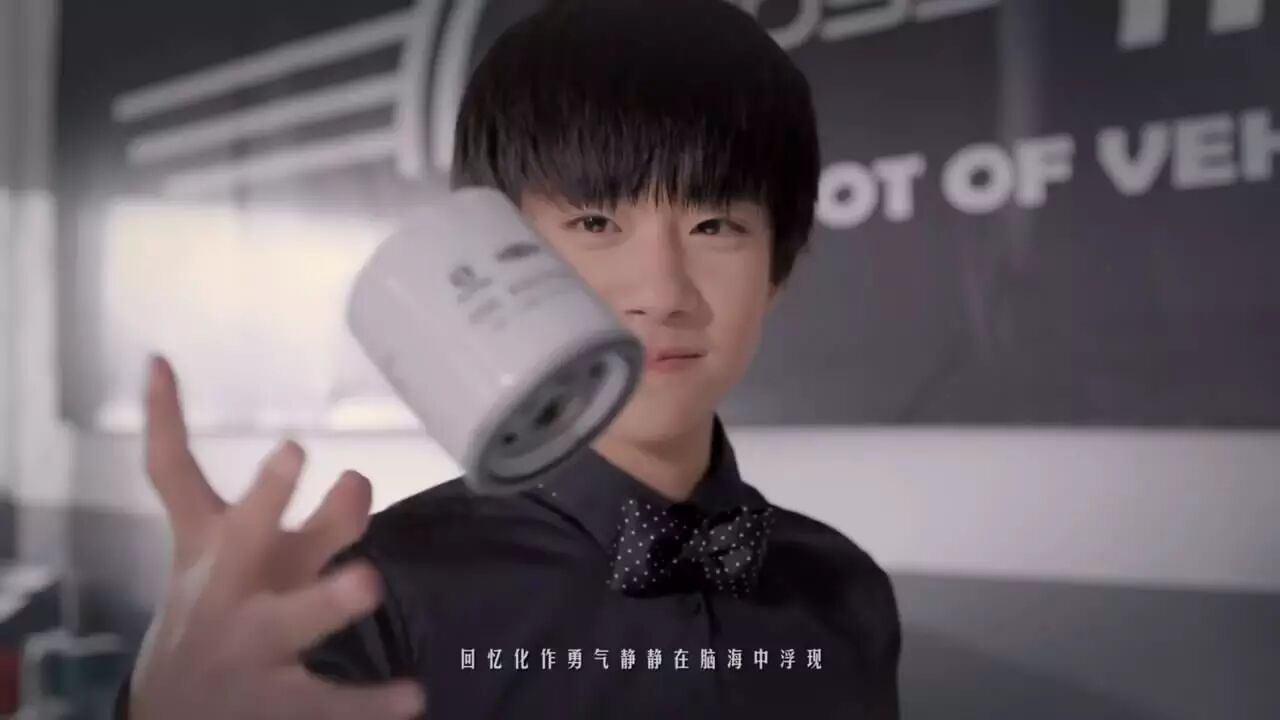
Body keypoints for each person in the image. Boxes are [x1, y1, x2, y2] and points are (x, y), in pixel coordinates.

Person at [114, 0, 901, 717]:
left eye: (714, 226)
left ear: (776, 271)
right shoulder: (367, 600)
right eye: (596, 223)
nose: (663, 293)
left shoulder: (848, 590)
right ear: (501, 246)